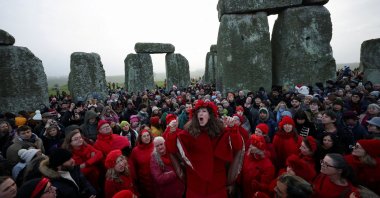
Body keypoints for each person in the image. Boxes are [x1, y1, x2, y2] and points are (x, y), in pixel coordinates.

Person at [165, 99, 244, 198]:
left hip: (216, 186)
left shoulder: (221, 132)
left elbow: (238, 147)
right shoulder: (188, 133)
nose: (200, 114)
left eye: (204, 111)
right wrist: (172, 132)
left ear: (210, 115)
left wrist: (233, 129)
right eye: (198, 112)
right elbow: (172, 149)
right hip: (195, 186)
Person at [128, 129, 155, 198]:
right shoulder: (135, 150)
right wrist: (134, 179)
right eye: (144, 136)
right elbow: (132, 165)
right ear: (140, 138)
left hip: (157, 178)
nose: (147, 137)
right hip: (144, 181)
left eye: (148, 135)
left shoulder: (155, 145)